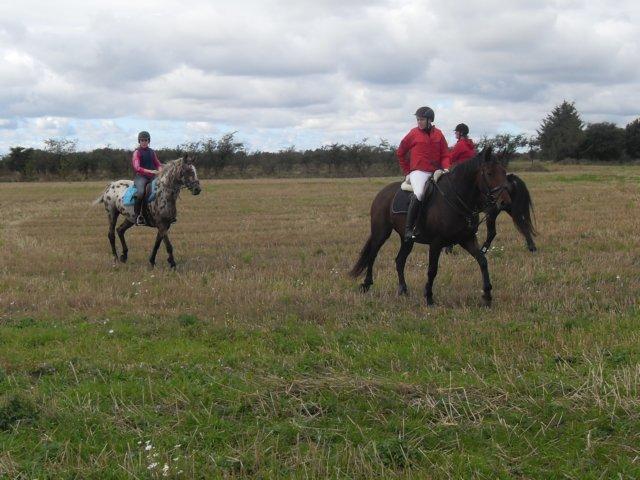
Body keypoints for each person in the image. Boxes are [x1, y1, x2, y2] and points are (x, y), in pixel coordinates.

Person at [397, 106, 451, 241]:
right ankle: (409, 229)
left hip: (436, 171)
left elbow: (445, 154)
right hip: (418, 172)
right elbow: (401, 152)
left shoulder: (439, 134)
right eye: (418, 119)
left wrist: (446, 168)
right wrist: (407, 171)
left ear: (430, 120)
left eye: (421, 119)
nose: (419, 122)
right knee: (420, 193)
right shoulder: (413, 133)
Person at [132, 131, 162, 226]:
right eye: (142, 140)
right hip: (141, 177)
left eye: (146, 140)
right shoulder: (137, 152)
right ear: (139, 141)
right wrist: (150, 171)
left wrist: (160, 170)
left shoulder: (152, 152)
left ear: (148, 141)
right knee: (141, 193)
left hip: (153, 177)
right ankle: (137, 216)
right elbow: (137, 167)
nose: (144, 142)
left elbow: (157, 163)